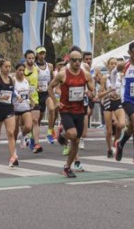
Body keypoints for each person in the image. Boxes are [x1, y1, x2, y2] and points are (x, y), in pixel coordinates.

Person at [48, 50, 95, 178]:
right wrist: (55, 102)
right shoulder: (63, 74)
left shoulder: (85, 75)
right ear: (69, 61)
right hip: (66, 110)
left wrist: (92, 93)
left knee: (76, 140)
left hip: (80, 110)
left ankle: (67, 167)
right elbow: (50, 87)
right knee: (73, 134)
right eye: (74, 60)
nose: (77, 62)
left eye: (80, 60)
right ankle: (63, 134)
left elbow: (93, 89)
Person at [98, 57, 125, 158]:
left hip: (118, 101)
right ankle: (109, 149)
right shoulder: (105, 78)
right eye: (112, 64)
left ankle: (116, 143)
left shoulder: (121, 76)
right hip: (108, 102)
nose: (114, 65)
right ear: (108, 65)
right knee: (109, 131)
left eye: (115, 64)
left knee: (121, 125)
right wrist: (109, 91)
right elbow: (99, 94)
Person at [34, 46, 57, 144]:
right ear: (37, 55)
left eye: (43, 53)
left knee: (52, 109)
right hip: (37, 94)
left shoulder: (50, 66)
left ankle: (49, 133)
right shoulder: (34, 66)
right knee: (38, 118)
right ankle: (33, 136)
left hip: (46, 93)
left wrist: (51, 86)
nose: (42, 55)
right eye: (40, 53)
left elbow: (52, 79)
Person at [23, 50, 44, 153]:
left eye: (32, 58)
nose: (31, 60)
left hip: (35, 98)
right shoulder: (22, 69)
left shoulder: (37, 70)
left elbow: (37, 83)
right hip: (24, 99)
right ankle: (24, 136)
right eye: (29, 58)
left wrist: (39, 87)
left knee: (35, 121)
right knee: (27, 123)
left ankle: (36, 144)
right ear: (25, 58)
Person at [13, 63, 34, 152]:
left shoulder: (26, 81)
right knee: (14, 130)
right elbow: (11, 91)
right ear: (16, 71)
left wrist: (32, 100)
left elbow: (28, 93)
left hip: (25, 107)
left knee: (29, 126)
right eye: (19, 70)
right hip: (15, 108)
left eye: (23, 70)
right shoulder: (13, 80)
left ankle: (23, 135)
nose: (21, 72)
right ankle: (13, 148)